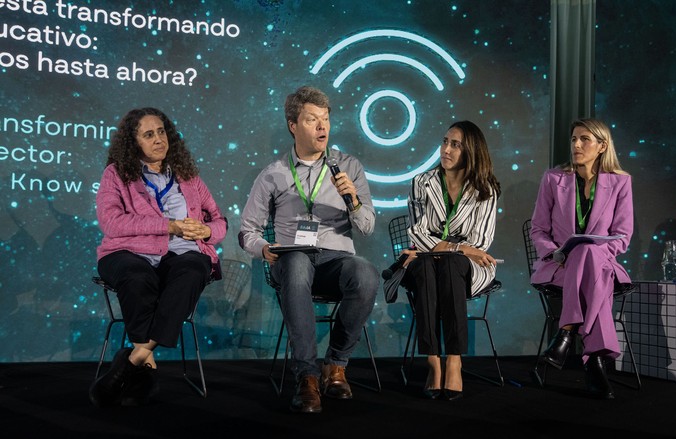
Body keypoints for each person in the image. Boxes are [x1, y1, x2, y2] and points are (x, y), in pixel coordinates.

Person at [239, 86, 379, 414]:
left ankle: (336, 365)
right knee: (299, 262)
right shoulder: (273, 173)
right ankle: (307, 376)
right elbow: (247, 232)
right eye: (312, 119)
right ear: (293, 125)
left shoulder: (348, 167)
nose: (322, 127)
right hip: (291, 260)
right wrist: (264, 249)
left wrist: (354, 201)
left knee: (366, 273)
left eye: (326, 119)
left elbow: (368, 226)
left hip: (335, 261)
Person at [89, 107, 228, 407]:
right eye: (148, 134)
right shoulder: (116, 174)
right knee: (137, 276)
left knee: (193, 270)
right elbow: (111, 222)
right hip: (126, 252)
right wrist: (169, 226)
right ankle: (145, 366)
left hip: (182, 254)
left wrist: (204, 232)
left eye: (161, 131)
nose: (158, 139)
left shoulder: (189, 177)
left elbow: (220, 222)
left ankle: (132, 361)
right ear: (133, 142)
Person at [530, 117, 633, 399]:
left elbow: (622, 236)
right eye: (573, 139)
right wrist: (554, 252)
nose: (576, 144)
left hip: (601, 264)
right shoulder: (553, 179)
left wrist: (594, 253)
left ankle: (565, 332)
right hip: (560, 265)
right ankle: (596, 363)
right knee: (592, 274)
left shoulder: (621, 182)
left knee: (588, 253)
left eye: (584, 139)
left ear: (601, 146)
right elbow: (538, 228)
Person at [400, 120, 501, 401]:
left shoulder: (485, 189)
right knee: (427, 265)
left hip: (467, 268)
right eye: (445, 141)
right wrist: (458, 247)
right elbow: (416, 232)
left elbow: (480, 244)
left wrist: (448, 249)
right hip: (425, 262)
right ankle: (434, 361)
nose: (446, 149)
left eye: (455, 145)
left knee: (449, 263)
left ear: (471, 151)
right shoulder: (422, 182)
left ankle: (453, 359)